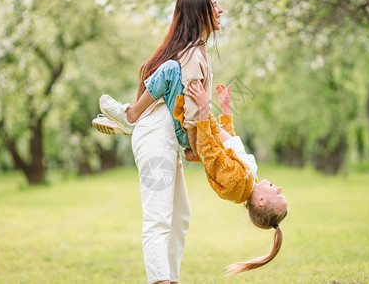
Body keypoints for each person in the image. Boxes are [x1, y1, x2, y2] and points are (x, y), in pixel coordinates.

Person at [93, 0, 224, 284]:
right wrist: (194, 145)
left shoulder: (196, 51)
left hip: (167, 141)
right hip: (154, 139)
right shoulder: (190, 55)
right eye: (215, 5)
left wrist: (193, 145)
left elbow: (190, 108)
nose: (221, 11)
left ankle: (171, 278)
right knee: (159, 219)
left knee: (179, 220)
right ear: (201, 11)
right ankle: (130, 116)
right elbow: (192, 109)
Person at [95, 82, 289, 275]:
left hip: (199, 128)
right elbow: (230, 142)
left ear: (261, 201)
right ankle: (132, 122)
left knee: (171, 75)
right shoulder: (250, 177)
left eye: (277, 195)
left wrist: (204, 110)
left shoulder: (238, 184)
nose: (279, 188)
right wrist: (226, 108)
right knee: (173, 93)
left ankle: (131, 119)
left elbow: (210, 152)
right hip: (203, 126)